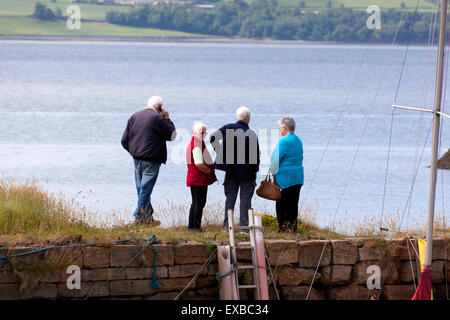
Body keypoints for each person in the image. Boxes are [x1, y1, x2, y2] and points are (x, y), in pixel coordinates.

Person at [121, 96, 176, 225]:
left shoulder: (134, 116)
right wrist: (167, 118)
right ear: (160, 108)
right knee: (145, 190)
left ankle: (147, 218)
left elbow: (124, 141)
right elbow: (172, 135)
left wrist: (134, 152)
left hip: (137, 159)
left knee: (142, 190)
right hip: (152, 160)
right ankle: (138, 216)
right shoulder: (158, 118)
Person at [210, 106, 260, 229]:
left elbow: (212, 138)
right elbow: (255, 156)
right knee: (245, 199)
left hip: (230, 170)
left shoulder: (229, 128)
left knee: (230, 197)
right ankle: (244, 226)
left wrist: (221, 153)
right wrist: (255, 170)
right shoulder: (251, 134)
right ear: (247, 118)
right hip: (247, 172)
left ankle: (227, 226)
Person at [269, 116, 304, 233]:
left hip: (285, 178)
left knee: (281, 204)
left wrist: (272, 173)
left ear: (284, 128)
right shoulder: (298, 140)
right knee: (293, 205)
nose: (279, 130)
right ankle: (293, 228)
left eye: (280, 127)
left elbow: (275, 160)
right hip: (298, 177)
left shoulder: (284, 141)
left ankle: (283, 228)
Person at [186, 122, 217, 231]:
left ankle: (191, 225)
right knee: (199, 202)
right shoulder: (197, 145)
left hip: (195, 178)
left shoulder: (195, 142)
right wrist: (208, 171)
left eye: (205, 132)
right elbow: (199, 163)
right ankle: (195, 226)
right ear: (195, 133)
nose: (204, 135)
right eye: (202, 133)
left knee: (196, 202)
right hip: (198, 179)